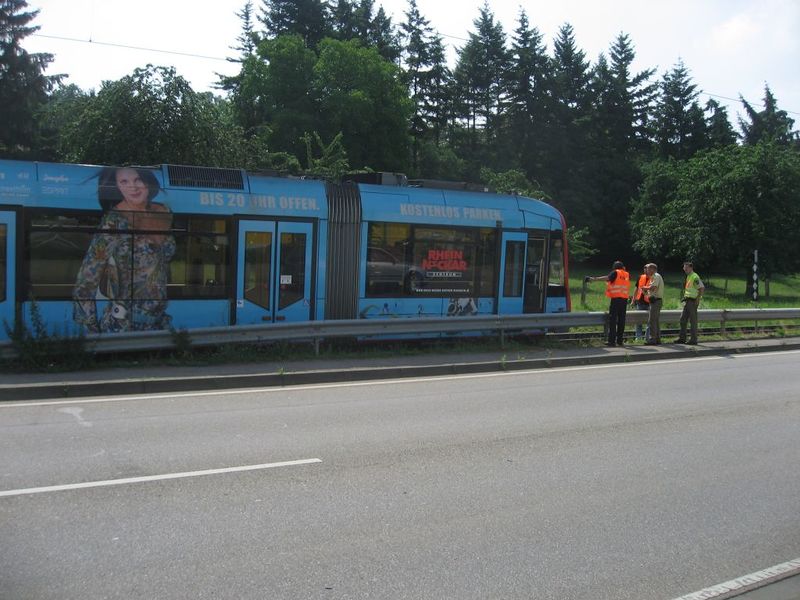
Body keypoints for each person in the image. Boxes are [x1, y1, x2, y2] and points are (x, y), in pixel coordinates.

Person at [73, 166, 175, 333]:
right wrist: (91, 330)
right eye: (124, 182)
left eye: (138, 180)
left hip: (159, 324)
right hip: (123, 325)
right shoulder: (113, 222)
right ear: (118, 188)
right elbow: (86, 280)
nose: (133, 187)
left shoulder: (164, 212)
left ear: (147, 182)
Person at [586, 260, 630, 347]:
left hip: (616, 300)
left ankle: (612, 341)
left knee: (613, 320)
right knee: (621, 321)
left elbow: (607, 278)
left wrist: (594, 279)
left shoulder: (615, 272)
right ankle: (620, 341)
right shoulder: (626, 274)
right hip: (624, 300)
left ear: (614, 267)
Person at [675, 261, 705, 345]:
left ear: (691, 268)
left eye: (686, 268)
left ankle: (693, 340)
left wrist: (698, 299)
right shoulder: (689, 276)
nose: (684, 269)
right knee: (683, 319)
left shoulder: (694, 277)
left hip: (692, 301)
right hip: (688, 301)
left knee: (693, 321)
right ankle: (682, 338)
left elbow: (701, 288)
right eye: (684, 268)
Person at [643, 263, 664, 345]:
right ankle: (657, 339)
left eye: (647, 269)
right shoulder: (653, 277)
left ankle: (653, 339)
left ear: (652, 269)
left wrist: (645, 288)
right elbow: (652, 290)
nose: (646, 270)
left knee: (652, 321)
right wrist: (646, 291)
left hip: (656, 301)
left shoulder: (656, 276)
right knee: (655, 321)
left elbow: (653, 287)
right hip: (655, 301)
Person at [631, 266, 651, 341]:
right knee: (638, 320)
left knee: (649, 321)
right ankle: (638, 337)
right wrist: (633, 300)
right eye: (645, 268)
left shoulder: (654, 278)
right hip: (640, 302)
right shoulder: (640, 277)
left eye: (647, 268)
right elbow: (636, 289)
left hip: (649, 302)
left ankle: (647, 337)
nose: (646, 270)